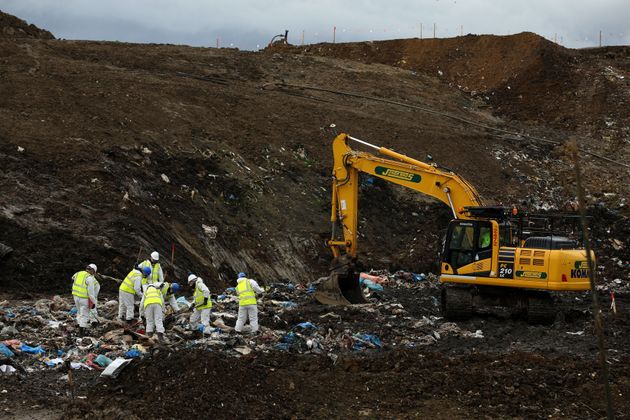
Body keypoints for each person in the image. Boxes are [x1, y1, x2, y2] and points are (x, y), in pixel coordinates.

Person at [71, 263, 98, 336]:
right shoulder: (90, 278)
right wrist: (93, 303)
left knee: (79, 312)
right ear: (93, 271)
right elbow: (91, 293)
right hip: (84, 299)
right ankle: (81, 332)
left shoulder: (78, 273)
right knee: (85, 315)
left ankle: (79, 324)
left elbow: (72, 278)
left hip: (75, 297)